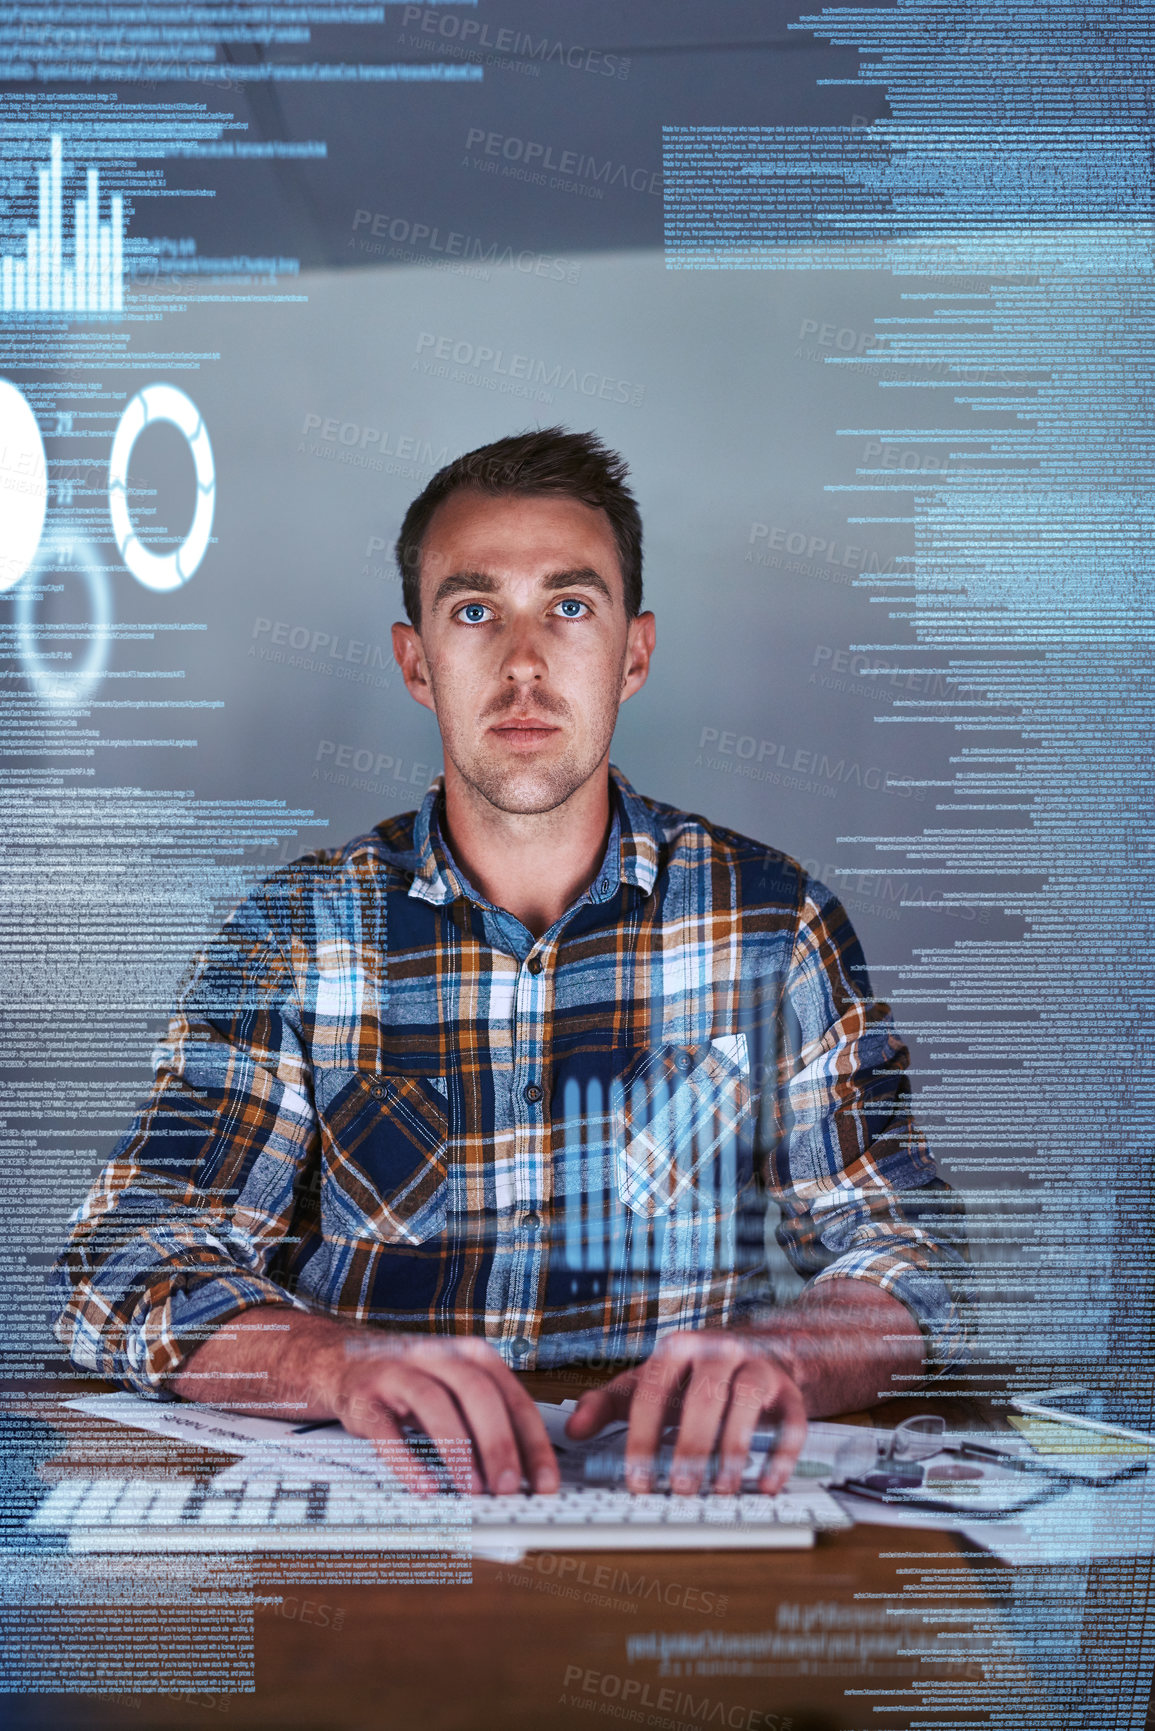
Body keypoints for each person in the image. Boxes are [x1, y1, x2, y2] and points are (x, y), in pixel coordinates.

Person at [52, 427, 970, 1500]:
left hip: (675, 1508)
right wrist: (335, 1365)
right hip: (381, 1517)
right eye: (475, 612)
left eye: (569, 607)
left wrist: (786, 1357)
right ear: (416, 662)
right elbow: (122, 1262)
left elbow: (913, 1247)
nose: (524, 663)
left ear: (633, 655)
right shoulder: (292, 936)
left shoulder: (773, 923)